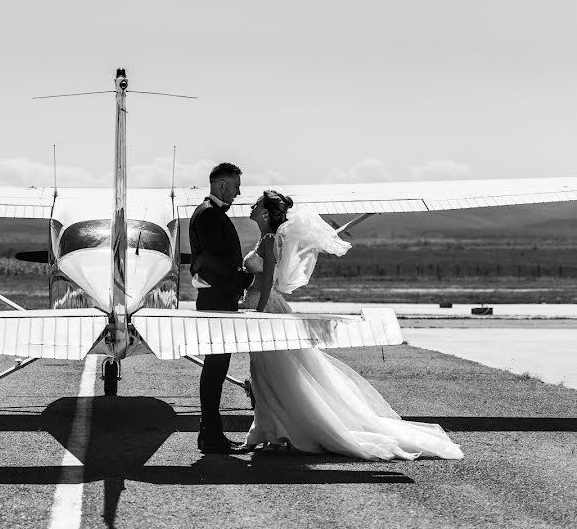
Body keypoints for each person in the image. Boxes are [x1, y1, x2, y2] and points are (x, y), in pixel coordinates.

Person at [242, 190, 464, 460]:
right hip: (265, 305)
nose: (251, 206)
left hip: (264, 308)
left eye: (256, 204)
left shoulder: (268, 239)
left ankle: (272, 431)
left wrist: (259, 310)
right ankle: (269, 431)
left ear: (265, 213)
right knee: (267, 371)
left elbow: (266, 281)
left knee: (267, 371)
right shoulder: (272, 238)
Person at [189, 162, 255, 454]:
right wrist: (244, 277)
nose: (239, 193)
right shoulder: (208, 215)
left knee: (216, 367)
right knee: (215, 368)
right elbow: (214, 260)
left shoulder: (208, 213)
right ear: (222, 185)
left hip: (216, 299)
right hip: (216, 301)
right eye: (236, 186)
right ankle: (211, 436)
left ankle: (210, 434)